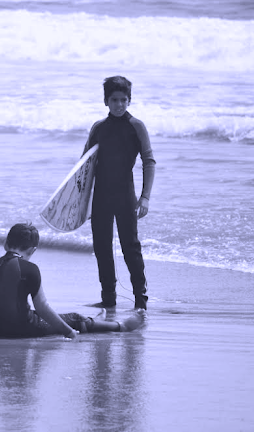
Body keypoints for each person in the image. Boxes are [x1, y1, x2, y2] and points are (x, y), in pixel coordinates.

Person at [0, 223, 144, 339]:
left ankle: (96, 320)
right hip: (23, 329)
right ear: (33, 250)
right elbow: (43, 308)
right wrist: (68, 332)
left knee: (49, 316)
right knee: (74, 319)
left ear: (6, 245)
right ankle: (121, 327)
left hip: (0, 331)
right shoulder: (30, 269)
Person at [82, 76, 156, 310]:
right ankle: (108, 298)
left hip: (125, 196)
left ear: (129, 100)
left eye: (124, 100)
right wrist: (81, 204)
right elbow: (84, 167)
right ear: (106, 101)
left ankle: (140, 299)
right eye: (114, 100)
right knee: (101, 247)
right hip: (101, 197)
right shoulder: (98, 128)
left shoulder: (136, 126)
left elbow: (149, 161)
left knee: (130, 247)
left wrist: (145, 197)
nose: (119, 105)